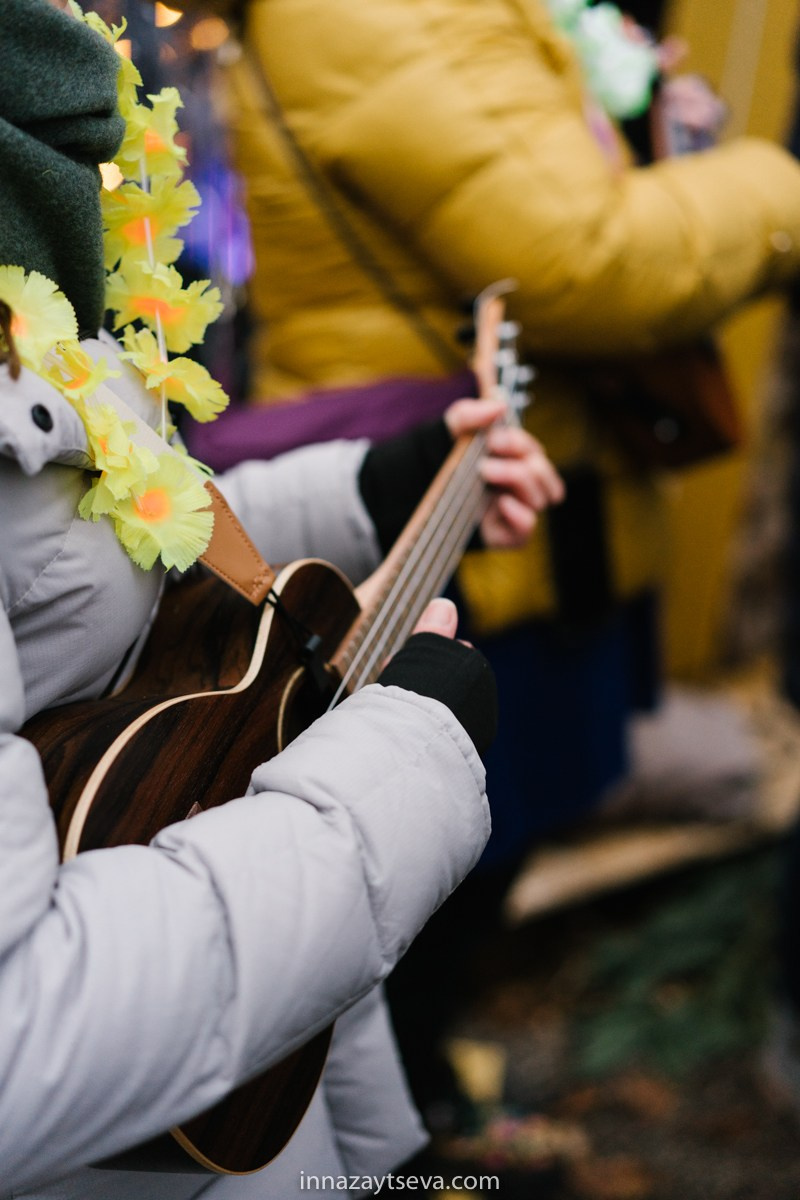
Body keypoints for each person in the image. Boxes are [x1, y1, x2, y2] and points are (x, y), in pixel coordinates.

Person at [169, 0, 800, 1136]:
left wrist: (647, 121)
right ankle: (408, 1129)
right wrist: (775, 184)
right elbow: (578, 255)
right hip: (443, 500)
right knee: (424, 868)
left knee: (492, 836)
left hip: (528, 491)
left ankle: (430, 1093)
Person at [0, 3, 564, 1197]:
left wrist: (369, 485)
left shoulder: (43, 135)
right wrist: (395, 770)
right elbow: (20, 1046)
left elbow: (91, 529)